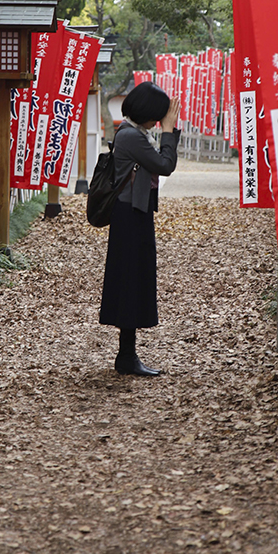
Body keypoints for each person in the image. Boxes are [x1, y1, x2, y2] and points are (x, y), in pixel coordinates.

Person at [99, 81, 181, 376]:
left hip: (133, 213)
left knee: (133, 280)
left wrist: (168, 129)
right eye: (158, 116)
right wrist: (170, 131)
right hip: (130, 215)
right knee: (131, 281)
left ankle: (127, 354)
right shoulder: (132, 136)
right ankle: (126, 356)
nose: (159, 121)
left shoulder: (133, 132)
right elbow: (165, 164)